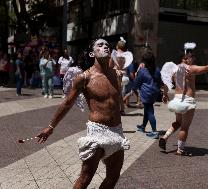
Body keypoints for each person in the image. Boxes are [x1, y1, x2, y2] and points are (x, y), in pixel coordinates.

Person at [36, 39, 129, 189]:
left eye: (107, 45)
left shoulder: (117, 75)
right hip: (97, 132)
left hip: (117, 131)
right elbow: (67, 103)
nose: (105, 46)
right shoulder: (84, 78)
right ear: (92, 53)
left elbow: (117, 100)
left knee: (113, 176)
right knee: (85, 178)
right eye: (100, 45)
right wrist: (51, 126)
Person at [159, 42, 208, 155]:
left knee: (178, 122)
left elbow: (166, 83)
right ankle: (180, 150)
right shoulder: (191, 69)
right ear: (187, 58)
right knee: (184, 127)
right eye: (192, 56)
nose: (194, 58)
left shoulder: (174, 68)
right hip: (187, 101)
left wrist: (164, 94)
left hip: (176, 99)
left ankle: (165, 136)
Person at [130, 48, 162, 139]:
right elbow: (159, 82)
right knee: (147, 110)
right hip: (154, 93)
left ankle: (154, 131)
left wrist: (133, 89)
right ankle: (143, 126)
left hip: (147, 94)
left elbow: (137, 82)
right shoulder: (157, 70)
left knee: (150, 111)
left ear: (145, 62)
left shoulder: (142, 71)